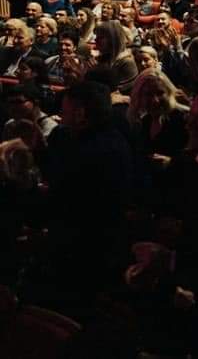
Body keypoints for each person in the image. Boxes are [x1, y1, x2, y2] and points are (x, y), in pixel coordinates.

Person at [44, 81, 134, 311]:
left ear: (81, 114)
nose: (61, 117)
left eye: (64, 112)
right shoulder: (108, 139)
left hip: (84, 248)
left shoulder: (97, 151)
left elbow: (64, 198)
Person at [94, 20, 139, 93]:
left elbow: (118, 91)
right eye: (96, 36)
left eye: (101, 37)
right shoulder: (102, 59)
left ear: (113, 39)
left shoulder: (127, 63)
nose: (95, 40)